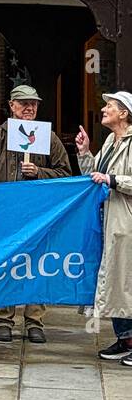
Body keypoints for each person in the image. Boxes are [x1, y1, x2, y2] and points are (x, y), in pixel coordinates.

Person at [0, 83, 71, 345]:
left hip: (40, 216)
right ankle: (4, 318)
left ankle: (35, 320)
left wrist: (40, 173)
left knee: (38, 266)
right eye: (24, 103)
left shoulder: (48, 138)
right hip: (6, 215)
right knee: (6, 265)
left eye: (34, 104)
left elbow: (65, 174)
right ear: (12, 106)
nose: (29, 108)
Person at [77, 92, 132, 365]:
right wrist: (85, 153)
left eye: (109, 106)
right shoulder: (112, 140)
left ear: (124, 113)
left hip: (126, 220)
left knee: (126, 281)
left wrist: (113, 179)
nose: (103, 109)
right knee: (116, 282)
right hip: (111, 219)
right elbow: (96, 175)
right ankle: (125, 338)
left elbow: (112, 178)